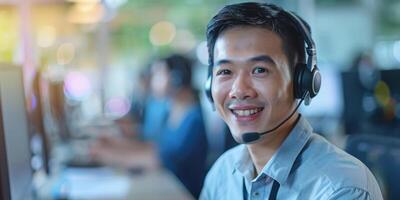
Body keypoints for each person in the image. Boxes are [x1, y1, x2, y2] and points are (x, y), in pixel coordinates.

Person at [200, 2, 383, 200]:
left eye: (259, 70)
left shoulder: (341, 187)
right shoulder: (222, 173)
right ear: (210, 84)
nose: (239, 91)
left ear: (302, 82)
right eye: (225, 71)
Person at [90, 54, 208, 198]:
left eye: (158, 74)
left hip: (182, 193)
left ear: (177, 78)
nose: (152, 80)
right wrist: (115, 145)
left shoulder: (193, 119)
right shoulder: (172, 110)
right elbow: (154, 146)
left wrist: (112, 154)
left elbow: (161, 159)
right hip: (165, 186)